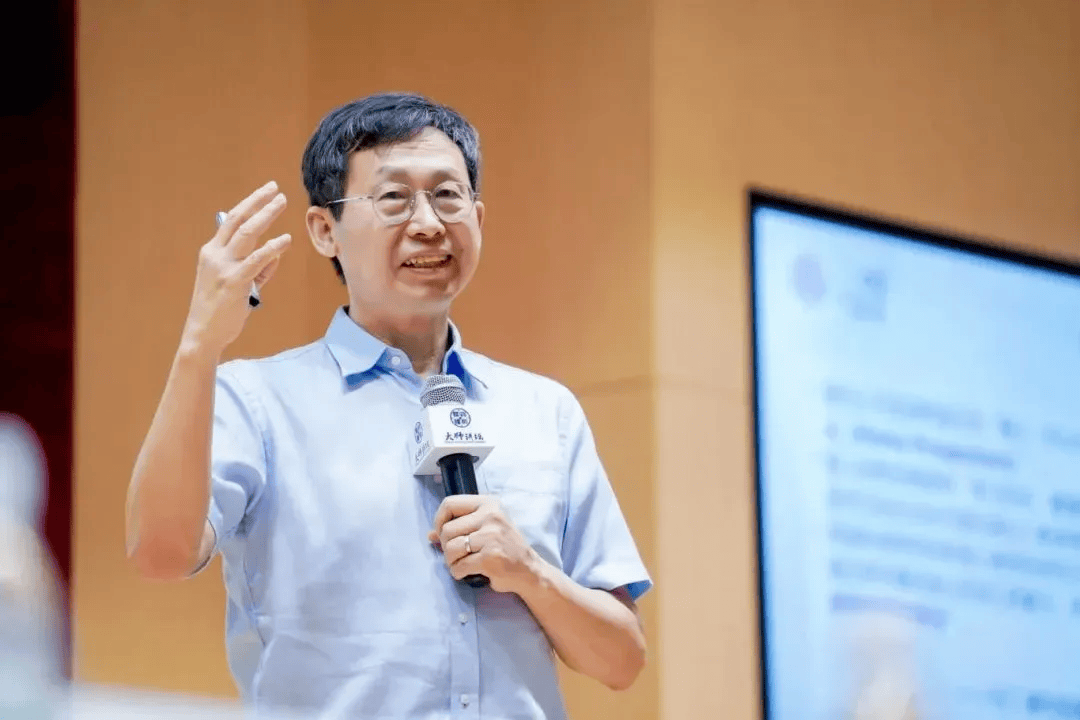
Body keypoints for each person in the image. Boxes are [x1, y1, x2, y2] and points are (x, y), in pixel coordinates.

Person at [125, 92, 651, 719]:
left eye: (448, 196)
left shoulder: (546, 411)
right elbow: (159, 554)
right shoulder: (258, 402)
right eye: (394, 198)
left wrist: (529, 571)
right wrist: (200, 344)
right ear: (325, 230)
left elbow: (621, 661)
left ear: (479, 217)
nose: (428, 223)